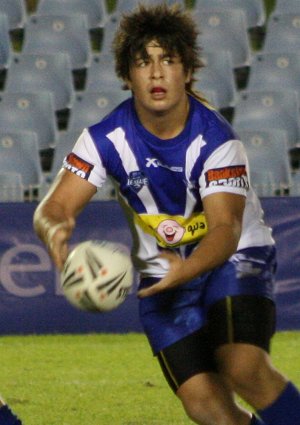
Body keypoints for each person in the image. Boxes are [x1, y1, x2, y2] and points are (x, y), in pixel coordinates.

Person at [33, 4, 300, 425]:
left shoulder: (216, 140)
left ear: (187, 71)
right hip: (165, 275)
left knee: (242, 367)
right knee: (205, 407)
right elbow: (55, 206)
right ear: (127, 75)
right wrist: (55, 228)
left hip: (233, 257)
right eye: (143, 62)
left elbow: (226, 229)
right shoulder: (105, 138)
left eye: (168, 60)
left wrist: (188, 269)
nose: (156, 74)